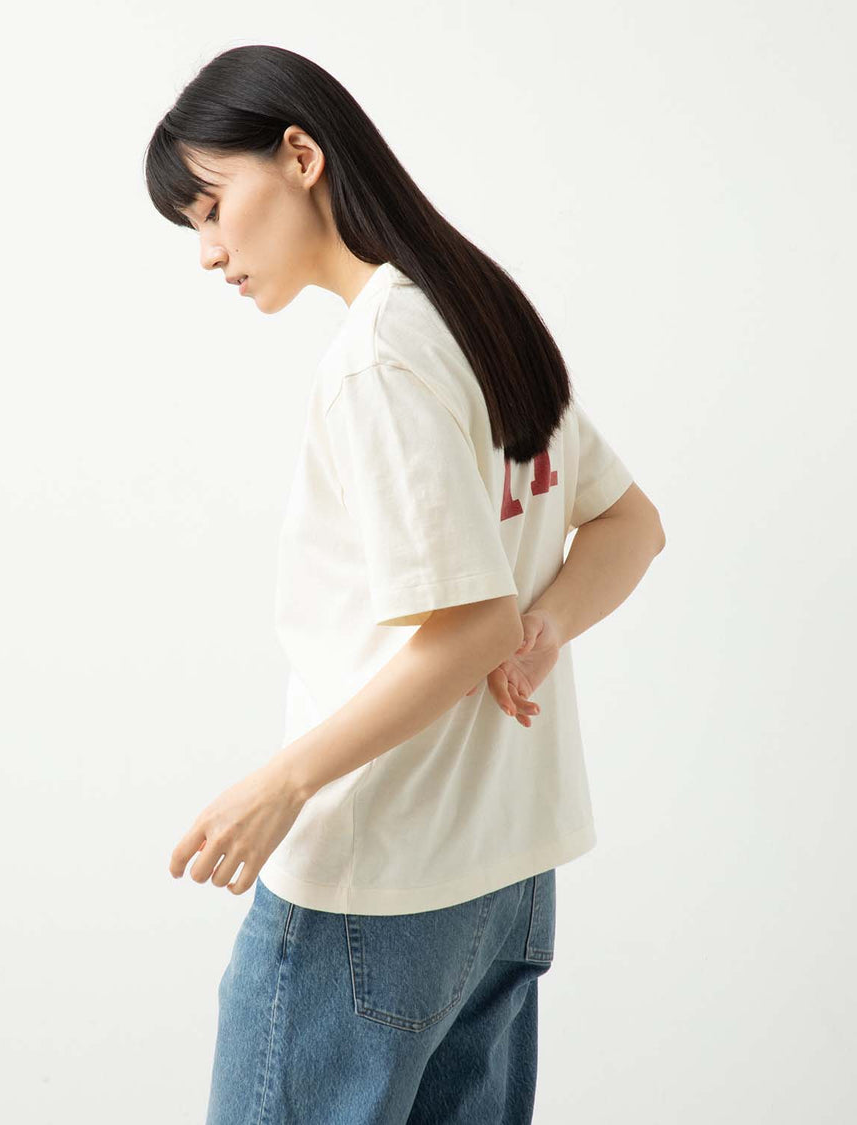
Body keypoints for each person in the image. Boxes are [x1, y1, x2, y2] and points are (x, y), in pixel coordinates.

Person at [145, 44, 665, 1125]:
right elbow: (628, 525)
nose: (208, 252)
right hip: (507, 879)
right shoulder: (480, 314)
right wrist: (544, 625)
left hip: (378, 877)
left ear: (300, 157)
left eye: (212, 207)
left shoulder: (381, 355)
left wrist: (282, 784)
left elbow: (469, 628)